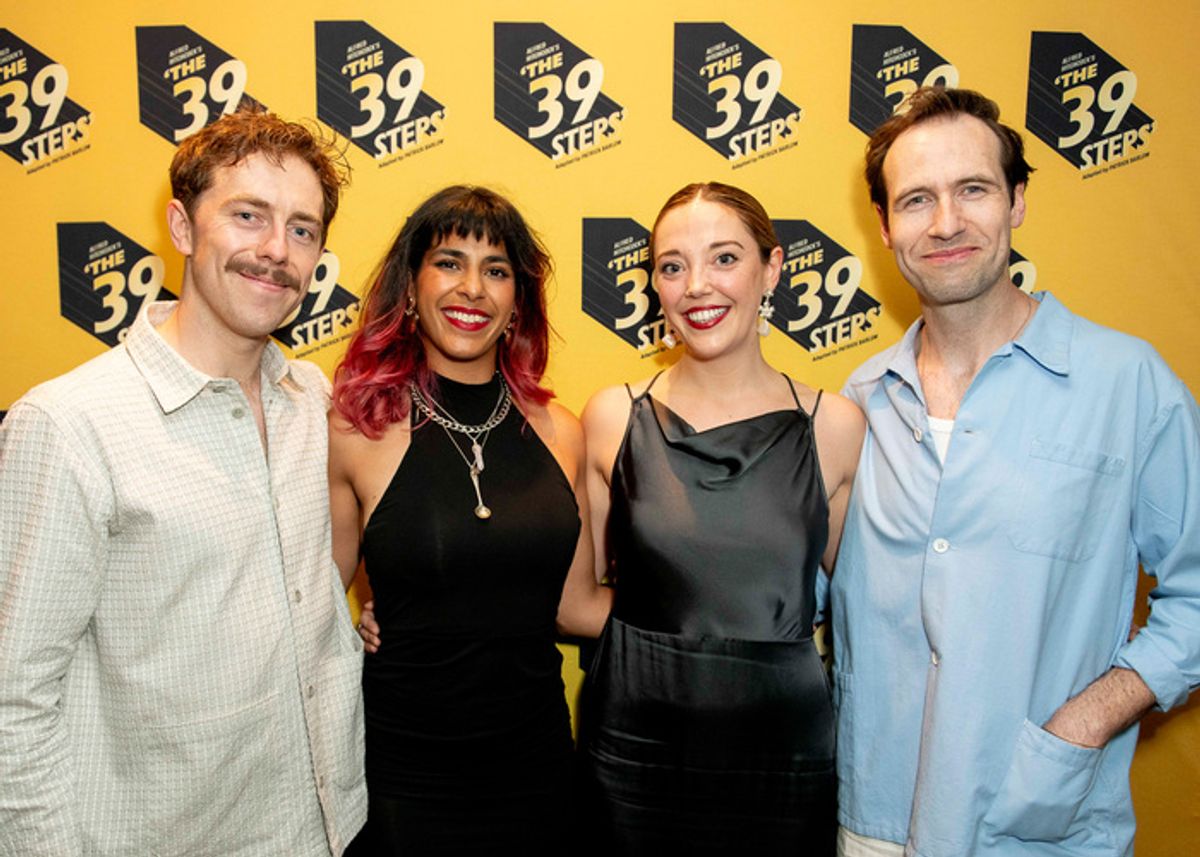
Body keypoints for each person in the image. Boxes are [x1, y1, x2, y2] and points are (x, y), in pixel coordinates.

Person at [831, 86, 1200, 857]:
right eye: (917, 200)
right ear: (885, 227)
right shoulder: (860, 404)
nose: (946, 223)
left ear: (1018, 201)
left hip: (1039, 827)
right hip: (873, 821)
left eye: (973, 190)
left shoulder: (1128, 384)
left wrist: (1091, 715)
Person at [0, 111, 365, 856]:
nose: (275, 250)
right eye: (247, 215)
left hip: (329, 829)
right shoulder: (70, 425)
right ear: (182, 226)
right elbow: (14, 700)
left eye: (302, 229)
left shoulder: (315, 402)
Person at [577, 182, 865, 854]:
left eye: (725, 258)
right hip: (632, 750)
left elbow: (871, 612)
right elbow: (568, 596)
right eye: (672, 266)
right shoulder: (611, 417)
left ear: (773, 268)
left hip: (781, 758)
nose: (697, 286)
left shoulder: (836, 427)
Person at [329, 185, 611, 856]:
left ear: (518, 302)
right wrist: (363, 616)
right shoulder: (356, 429)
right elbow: (307, 612)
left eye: (496, 269)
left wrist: (712, 604)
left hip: (538, 769)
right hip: (403, 777)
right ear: (410, 288)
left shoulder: (562, 433)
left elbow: (577, 607)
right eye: (449, 261)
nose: (473, 287)